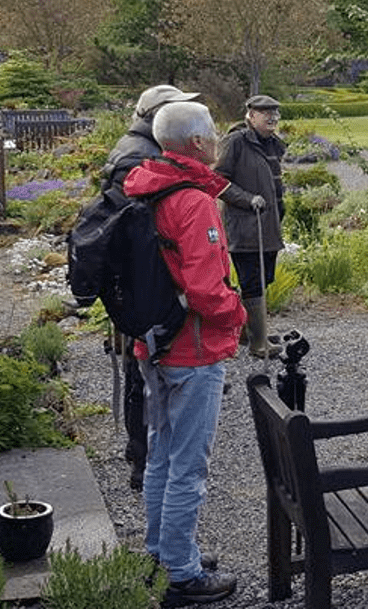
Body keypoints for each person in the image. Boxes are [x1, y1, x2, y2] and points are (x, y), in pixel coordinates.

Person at [123, 100, 243, 605]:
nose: (217, 139)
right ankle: (181, 571)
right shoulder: (192, 200)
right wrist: (238, 315)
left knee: (161, 455)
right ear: (197, 143)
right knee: (188, 465)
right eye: (212, 132)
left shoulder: (147, 185)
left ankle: (162, 550)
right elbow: (204, 290)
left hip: (152, 343)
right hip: (191, 351)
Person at [100, 83, 200, 492]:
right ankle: (142, 457)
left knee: (144, 365)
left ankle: (141, 452)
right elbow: (138, 230)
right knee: (144, 369)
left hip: (142, 280)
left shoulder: (137, 148)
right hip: (145, 281)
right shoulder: (138, 156)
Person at [214, 94, 287, 359]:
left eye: (275, 113)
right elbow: (217, 180)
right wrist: (246, 199)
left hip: (268, 227)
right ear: (251, 115)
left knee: (263, 279)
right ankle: (259, 344)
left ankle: (247, 332)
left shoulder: (270, 144)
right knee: (252, 281)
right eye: (266, 113)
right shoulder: (236, 142)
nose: (272, 118)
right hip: (245, 226)